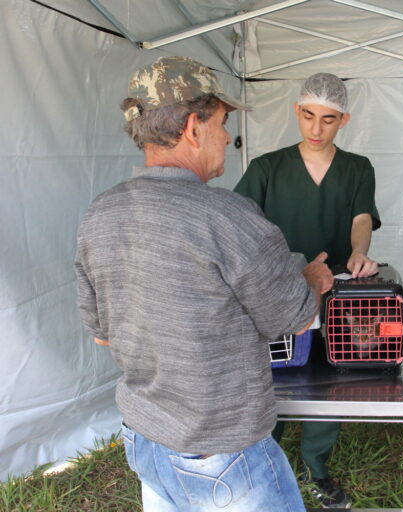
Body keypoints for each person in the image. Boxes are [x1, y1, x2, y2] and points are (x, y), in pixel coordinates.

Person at [74, 56, 334, 512]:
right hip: (222, 453)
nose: (228, 139)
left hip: (145, 436)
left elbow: (101, 334)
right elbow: (297, 318)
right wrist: (311, 277)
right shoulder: (229, 217)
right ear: (194, 128)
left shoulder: (101, 213)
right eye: (222, 122)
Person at [234, 72, 380, 509]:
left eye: (329, 119)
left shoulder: (357, 168)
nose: (317, 130)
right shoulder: (266, 168)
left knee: (331, 377)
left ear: (344, 120)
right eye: (309, 116)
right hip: (277, 293)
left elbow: (361, 218)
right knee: (273, 378)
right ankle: (265, 468)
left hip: (335, 290)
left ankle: (317, 468)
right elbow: (240, 225)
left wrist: (358, 253)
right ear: (296, 111)